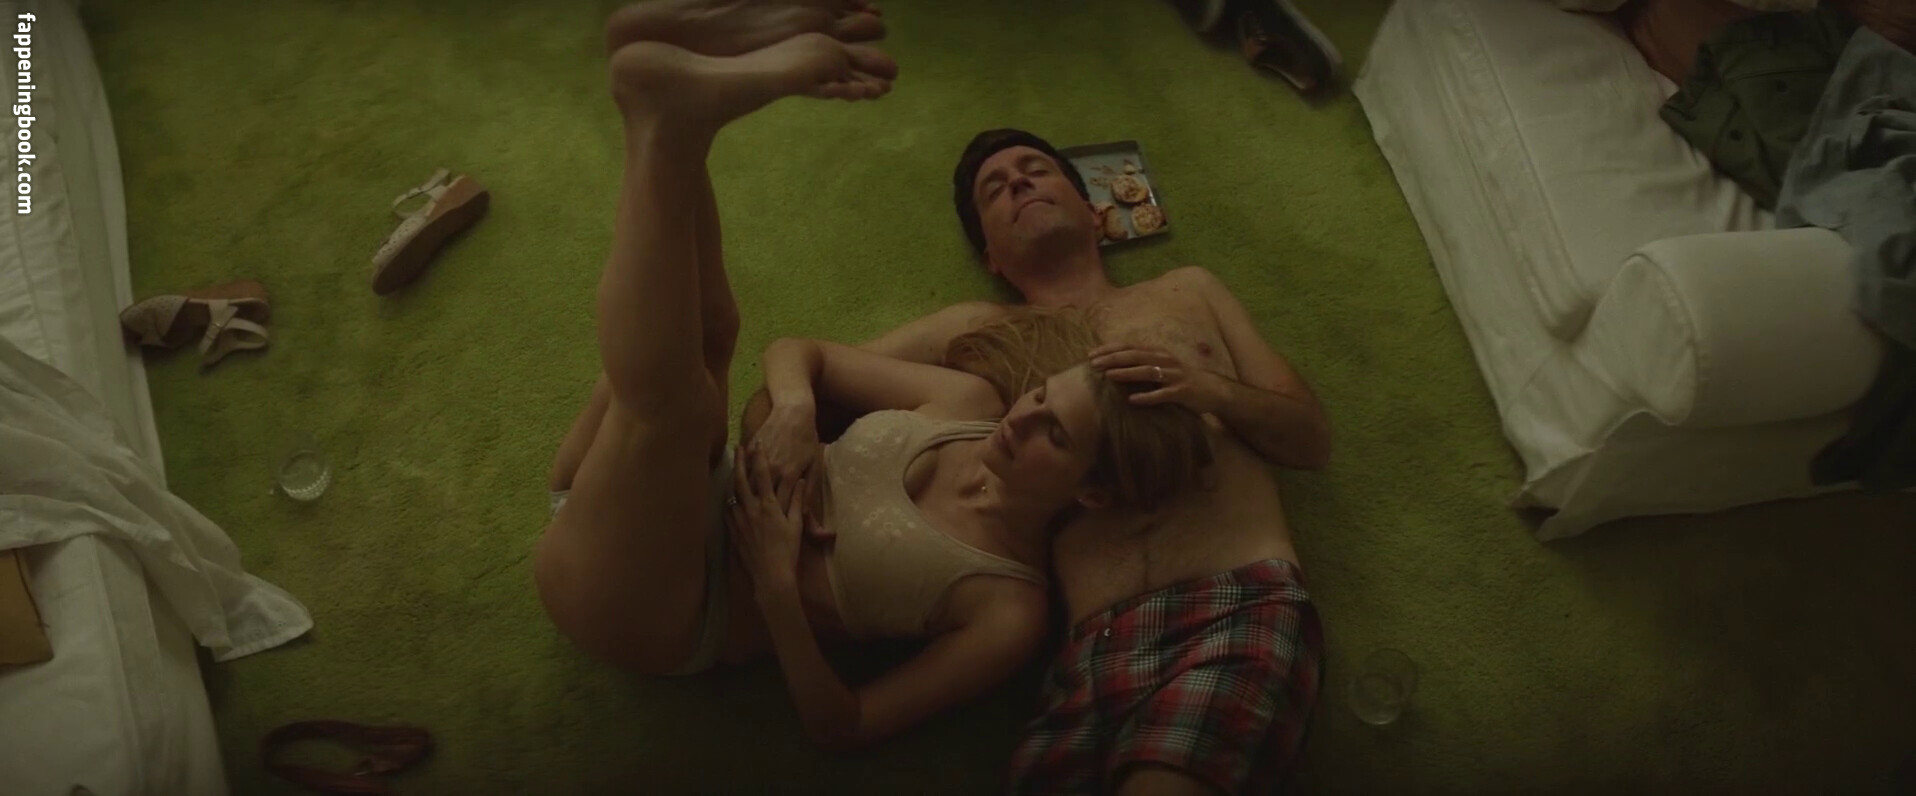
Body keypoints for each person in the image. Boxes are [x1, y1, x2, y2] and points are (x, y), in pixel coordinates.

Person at [533, 6, 1214, 755]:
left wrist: (777, 586)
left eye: (1052, 431)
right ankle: (675, 119)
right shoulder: (970, 403)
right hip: (678, 486)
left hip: (667, 604)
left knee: (679, 406)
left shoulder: (1009, 609)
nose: (1020, 418)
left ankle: (662, 121)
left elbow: (844, 725)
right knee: (712, 336)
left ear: (1091, 493)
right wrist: (795, 413)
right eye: (1041, 396)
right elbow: (802, 353)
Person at [746, 126, 1333, 793]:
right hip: (1084, 652)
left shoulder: (1188, 291)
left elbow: (1312, 440)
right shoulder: (972, 328)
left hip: (1231, 602)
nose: (1018, 181)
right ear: (991, 258)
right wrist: (789, 442)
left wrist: (1212, 391)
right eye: (994, 190)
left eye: (1035, 168)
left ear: (1092, 209)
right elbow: (791, 383)